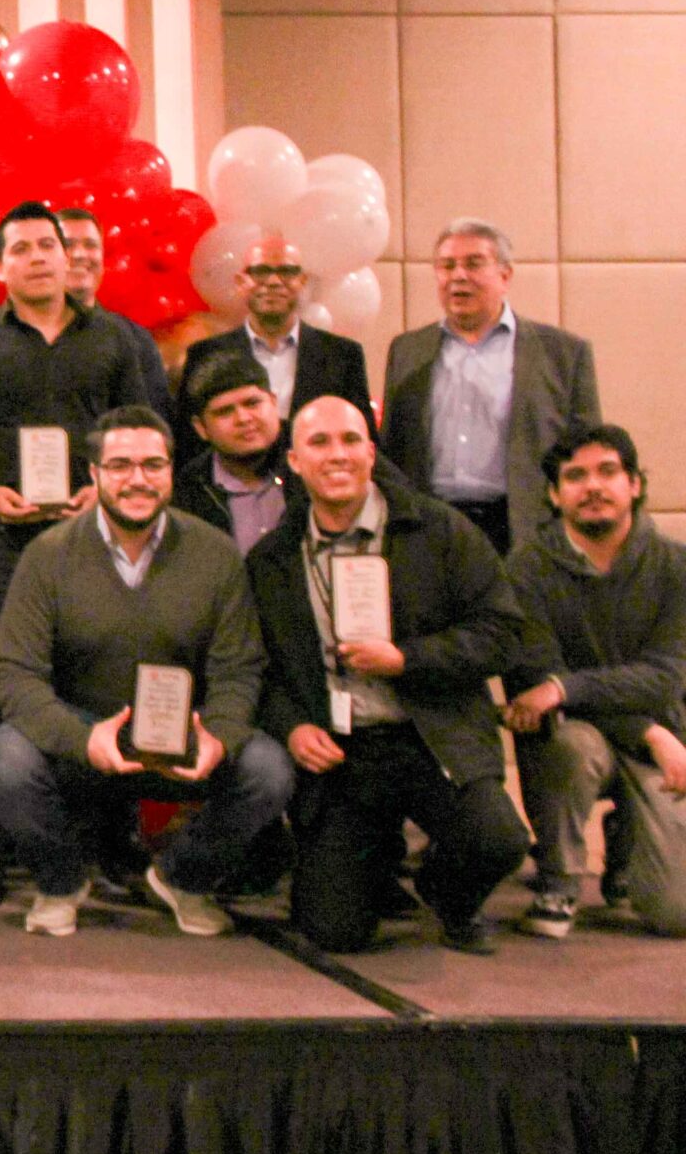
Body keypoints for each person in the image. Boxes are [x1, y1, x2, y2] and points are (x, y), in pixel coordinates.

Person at [0, 406, 294, 937]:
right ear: (94, 474)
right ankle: (61, 881)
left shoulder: (216, 554)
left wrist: (217, 737)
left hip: (184, 740)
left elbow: (239, 670)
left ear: (172, 470)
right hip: (85, 737)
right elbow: (15, 673)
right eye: (120, 465)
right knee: (5, 759)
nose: (138, 479)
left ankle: (181, 878)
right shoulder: (47, 555)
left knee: (268, 769)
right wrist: (84, 740)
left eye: (153, 465)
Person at [247, 396, 534, 954]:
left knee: (499, 840)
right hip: (342, 753)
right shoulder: (271, 561)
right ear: (295, 462)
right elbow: (258, 669)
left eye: (351, 440)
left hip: (432, 737)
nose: (337, 454)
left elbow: (504, 633)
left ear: (371, 453)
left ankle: (446, 895)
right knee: (334, 931)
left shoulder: (440, 531)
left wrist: (407, 659)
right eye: (319, 442)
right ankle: (373, 864)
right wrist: (291, 727)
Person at [0, 202, 154, 908]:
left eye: (48, 245)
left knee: (103, 691)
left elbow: (139, 431)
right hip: (0, 542)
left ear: (70, 258)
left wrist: (104, 490)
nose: (37, 257)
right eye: (22, 248)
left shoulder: (115, 340)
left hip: (93, 544)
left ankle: (113, 846)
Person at [503, 425, 686, 939]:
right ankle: (558, 882)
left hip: (663, 737)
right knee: (569, 743)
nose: (593, 487)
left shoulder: (676, 566)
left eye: (607, 471)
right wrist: (649, 732)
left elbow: (666, 678)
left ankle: (626, 845)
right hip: (589, 737)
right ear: (554, 494)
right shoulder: (526, 570)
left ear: (635, 484)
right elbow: (536, 684)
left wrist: (566, 689)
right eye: (575, 476)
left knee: (677, 915)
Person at [382, 219, 599, 554]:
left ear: (505, 275)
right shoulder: (407, 351)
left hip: (523, 531)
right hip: (430, 527)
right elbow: (392, 451)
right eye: (447, 266)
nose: (458, 276)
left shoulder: (563, 354)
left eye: (473, 264)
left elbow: (588, 454)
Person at [174, 234, 373, 433]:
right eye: (260, 272)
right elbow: (187, 438)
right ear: (241, 282)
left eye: (286, 271)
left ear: (302, 281)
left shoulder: (343, 355)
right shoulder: (205, 355)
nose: (273, 281)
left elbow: (363, 434)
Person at [170, 352, 301, 554]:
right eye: (224, 411)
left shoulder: (313, 465)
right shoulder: (186, 494)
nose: (243, 418)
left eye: (252, 403)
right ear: (201, 427)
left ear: (274, 403)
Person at [55, 208, 169, 408]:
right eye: (68, 245)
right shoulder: (10, 337)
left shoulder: (135, 340)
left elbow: (156, 419)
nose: (80, 254)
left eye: (91, 245)